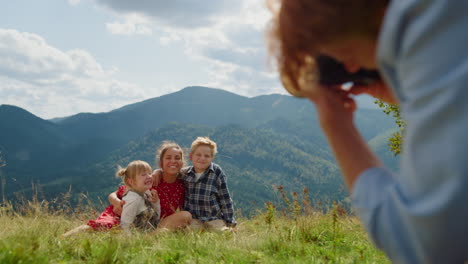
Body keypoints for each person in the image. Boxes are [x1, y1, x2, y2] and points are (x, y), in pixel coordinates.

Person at [267, 0, 468, 263]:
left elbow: (426, 245)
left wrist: (335, 123)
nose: (350, 68)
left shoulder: (428, 28)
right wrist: (410, 97)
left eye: (342, 53)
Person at [63, 160, 160, 237]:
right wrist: (130, 242)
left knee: (103, 229)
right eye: (143, 174)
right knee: (99, 226)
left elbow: (154, 214)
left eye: (149, 173)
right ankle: (65, 237)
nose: (149, 176)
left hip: (123, 215)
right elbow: (125, 224)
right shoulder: (133, 198)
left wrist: (156, 202)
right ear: (131, 181)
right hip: (115, 214)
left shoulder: (146, 192)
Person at [108, 142, 192, 230]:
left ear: (182, 163)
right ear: (161, 163)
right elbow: (114, 194)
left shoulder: (182, 184)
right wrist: (116, 202)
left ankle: (152, 235)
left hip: (160, 222)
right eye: (168, 158)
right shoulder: (151, 181)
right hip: (141, 224)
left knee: (186, 216)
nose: (173, 161)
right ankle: (150, 237)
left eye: (177, 158)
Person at [184, 137, 236, 231]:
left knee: (224, 234)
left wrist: (230, 223)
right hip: (194, 219)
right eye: (198, 155)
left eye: (207, 156)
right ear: (191, 156)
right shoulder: (186, 173)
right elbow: (171, 173)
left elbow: (225, 200)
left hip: (214, 219)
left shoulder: (217, 172)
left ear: (212, 158)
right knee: (190, 235)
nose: (202, 158)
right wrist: (157, 173)